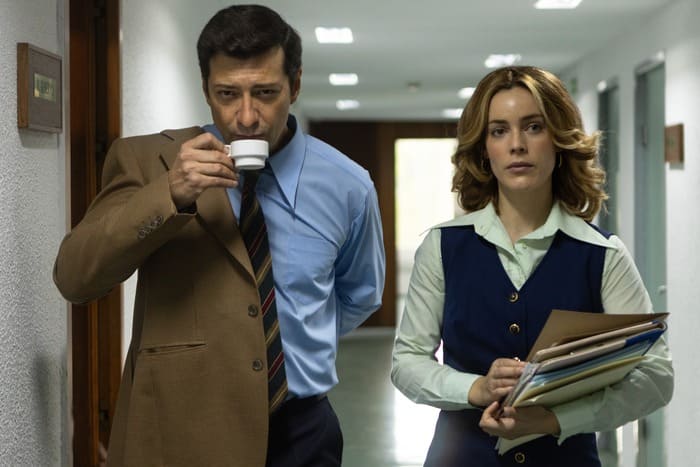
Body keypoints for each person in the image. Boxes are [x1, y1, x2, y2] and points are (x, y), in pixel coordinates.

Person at [53, 5, 385, 467]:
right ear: (205, 88)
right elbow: (75, 277)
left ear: (295, 85)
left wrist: (291, 337)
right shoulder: (149, 161)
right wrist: (168, 194)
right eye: (227, 94)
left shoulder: (348, 185)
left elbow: (359, 295)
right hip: (181, 429)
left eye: (265, 93)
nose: (246, 116)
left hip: (303, 430)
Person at [390, 66, 673, 466]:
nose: (517, 145)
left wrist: (555, 420)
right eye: (499, 131)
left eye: (534, 127)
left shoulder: (602, 254)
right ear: (484, 149)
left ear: (559, 140)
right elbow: (407, 362)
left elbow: (656, 376)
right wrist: (476, 388)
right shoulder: (442, 246)